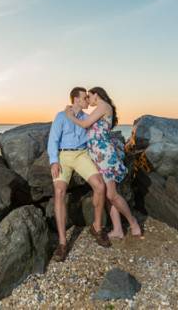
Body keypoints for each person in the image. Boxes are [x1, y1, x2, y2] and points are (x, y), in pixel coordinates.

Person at [65, 86, 142, 239]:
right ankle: (118, 230)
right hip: (99, 156)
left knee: (112, 194)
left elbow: (85, 124)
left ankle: (134, 224)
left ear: (96, 95)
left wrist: (69, 115)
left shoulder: (103, 106)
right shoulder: (100, 108)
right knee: (107, 194)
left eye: (89, 96)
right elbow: (88, 120)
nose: (88, 99)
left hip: (105, 155)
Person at [47, 86, 111, 261]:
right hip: (64, 155)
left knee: (100, 186)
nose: (87, 101)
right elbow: (53, 140)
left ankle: (97, 228)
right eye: (84, 98)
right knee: (59, 191)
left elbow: (100, 131)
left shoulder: (86, 118)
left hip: (82, 155)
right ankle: (62, 242)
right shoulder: (61, 116)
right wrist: (54, 161)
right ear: (75, 99)